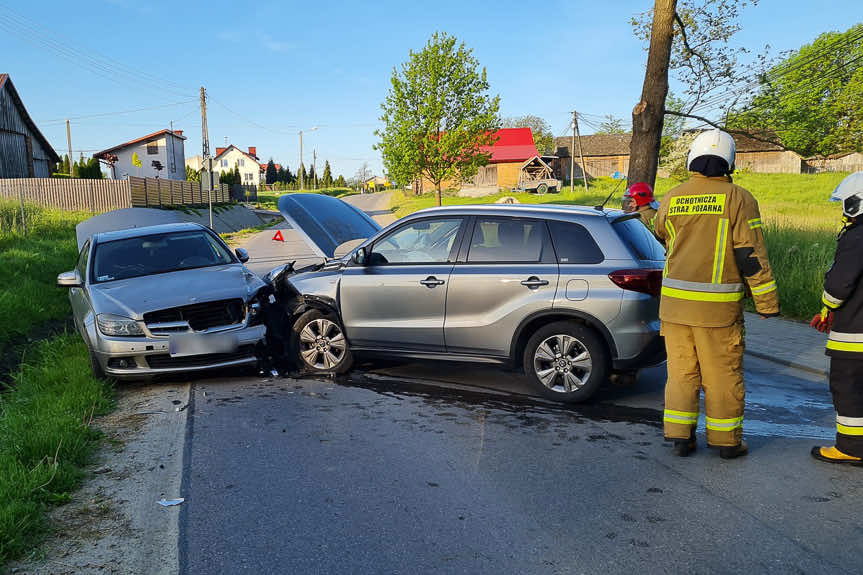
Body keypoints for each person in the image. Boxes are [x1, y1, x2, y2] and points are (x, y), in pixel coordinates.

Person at [654, 129, 780, 459]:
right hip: (717, 311)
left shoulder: (673, 196)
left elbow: (661, 234)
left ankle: (680, 438)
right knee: (722, 375)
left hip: (674, 308)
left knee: (681, 374)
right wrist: (766, 303)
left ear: (692, 159)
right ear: (729, 163)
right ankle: (726, 443)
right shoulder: (739, 198)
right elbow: (750, 255)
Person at [810, 171, 863, 466]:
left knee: (848, 386)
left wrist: (827, 308)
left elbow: (840, 285)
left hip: (856, 332)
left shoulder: (857, 237)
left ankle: (851, 448)